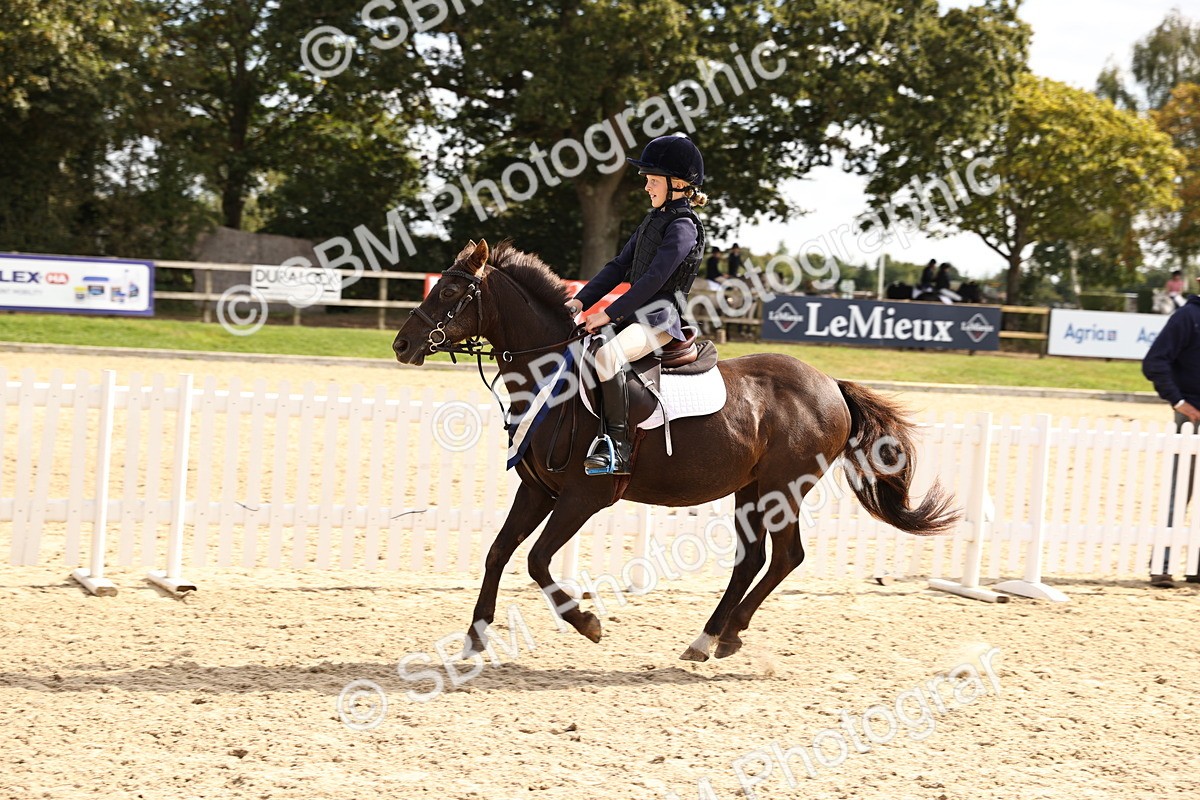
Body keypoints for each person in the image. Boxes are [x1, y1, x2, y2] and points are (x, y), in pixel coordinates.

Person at [564, 135, 707, 476]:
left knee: (607, 357)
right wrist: (580, 301)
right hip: (633, 317)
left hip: (658, 321)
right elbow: (618, 266)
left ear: (679, 185)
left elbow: (654, 280)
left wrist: (608, 313)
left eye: (653, 180)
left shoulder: (684, 227)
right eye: (646, 180)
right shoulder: (653, 221)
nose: (646, 187)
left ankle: (618, 447)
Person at [1142, 273, 1200, 587]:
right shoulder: (1187, 317)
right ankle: (1162, 565)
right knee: (1180, 492)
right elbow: (1155, 362)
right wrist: (1179, 402)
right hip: (1193, 418)